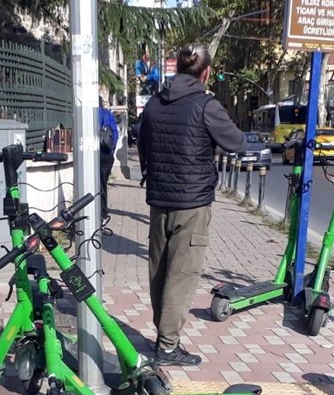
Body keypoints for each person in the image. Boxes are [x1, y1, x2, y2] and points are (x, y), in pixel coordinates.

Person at [137, 44, 245, 367]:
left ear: (178, 69)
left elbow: (142, 144)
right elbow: (236, 142)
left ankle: (163, 333)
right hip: (192, 204)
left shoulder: (154, 104)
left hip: (158, 202)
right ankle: (168, 347)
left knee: (158, 270)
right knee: (181, 275)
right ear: (206, 73)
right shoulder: (205, 105)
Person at [98, 97, 118, 212]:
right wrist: (111, 150)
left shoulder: (87, 113)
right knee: (103, 183)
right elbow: (115, 134)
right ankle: (103, 210)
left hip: (91, 152)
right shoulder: (107, 114)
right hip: (106, 153)